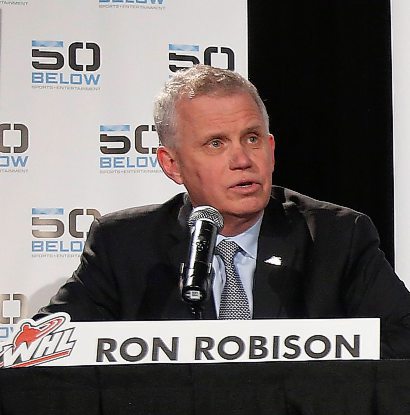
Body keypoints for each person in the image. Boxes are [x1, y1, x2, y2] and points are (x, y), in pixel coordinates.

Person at [35, 64, 410, 358]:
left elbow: (402, 338)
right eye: (216, 143)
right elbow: (44, 344)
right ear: (172, 164)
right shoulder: (124, 245)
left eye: (252, 138)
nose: (243, 160)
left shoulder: (336, 236)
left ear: (271, 147)